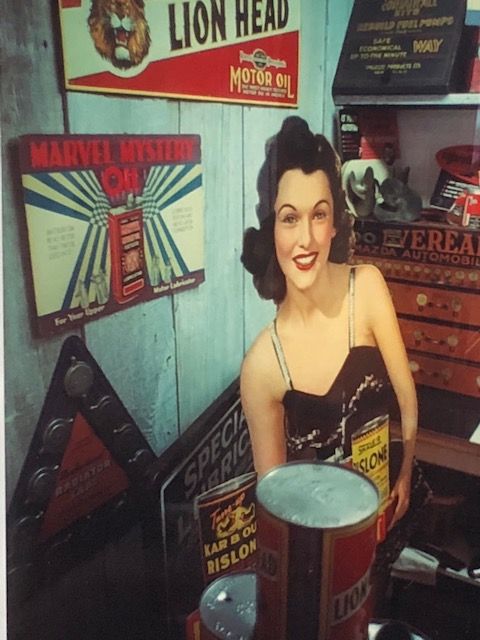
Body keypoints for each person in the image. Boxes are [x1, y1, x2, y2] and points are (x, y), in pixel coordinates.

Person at [240, 116, 430, 606]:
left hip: (389, 515)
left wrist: (405, 473)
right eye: (289, 218)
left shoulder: (367, 288)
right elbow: (275, 508)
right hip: (321, 558)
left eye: (319, 214)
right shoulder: (262, 367)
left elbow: (405, 395)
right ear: (271, 226)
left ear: (334, 224)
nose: (305, 239)